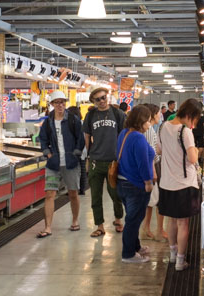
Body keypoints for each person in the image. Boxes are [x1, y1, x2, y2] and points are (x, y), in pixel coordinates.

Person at [159, 98, 202, 271]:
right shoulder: (185, 131)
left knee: (172, 220)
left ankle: (172, 254)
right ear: (191, 115)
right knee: (183, 224)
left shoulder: (163, 127)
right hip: (184, 184)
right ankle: (180, 261)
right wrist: (197, 151)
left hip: (166, 183)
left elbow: (159, 150)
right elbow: (192, 159)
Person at [37, 90, 84, 238]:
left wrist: (76, 153)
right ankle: (48, 227)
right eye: (57, 102)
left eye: (62, 102)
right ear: (52, 104)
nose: (60, 105)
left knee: (73, 193)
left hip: (70, 163)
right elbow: (42, 139)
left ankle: (75, 220)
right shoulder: (48, 122)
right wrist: (48, 153)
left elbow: (81, 139)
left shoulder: (73, 120)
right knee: (49, 193)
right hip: (53, 164)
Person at [83, 87, 127, 237]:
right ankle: (100, 226)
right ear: (93, 102)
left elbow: (123, 136)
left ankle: (118, 219)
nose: (102, 101)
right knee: (95, 195)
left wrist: (122, 157)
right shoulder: (90, 116)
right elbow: (87, 137)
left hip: (113, 161)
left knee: (115, 194)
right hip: (95, 160)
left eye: (103, 97)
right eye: (98, 99)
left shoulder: (118, 114)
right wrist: (87, 157)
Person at [114, 105, 156, 263]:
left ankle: (135, 246)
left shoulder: (124, 133)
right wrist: (148, 182)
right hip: (135, 185)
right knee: (133, 220)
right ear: (142, 120)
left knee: (133, 218)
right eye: (148, 120)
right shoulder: (138, 137)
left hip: (123, 183)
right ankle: (128, 254)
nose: (149, 124)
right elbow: (143, 164)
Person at [140, 104, 167, 242]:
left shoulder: (148, 129)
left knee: (151, 201)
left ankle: (146, 229)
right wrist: (154, 173)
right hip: (154, 166)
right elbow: (151, 153)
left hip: (153, 165)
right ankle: (159, 231)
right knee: (159, 201)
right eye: (158, 114)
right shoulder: (149, 129)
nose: (160, 116)